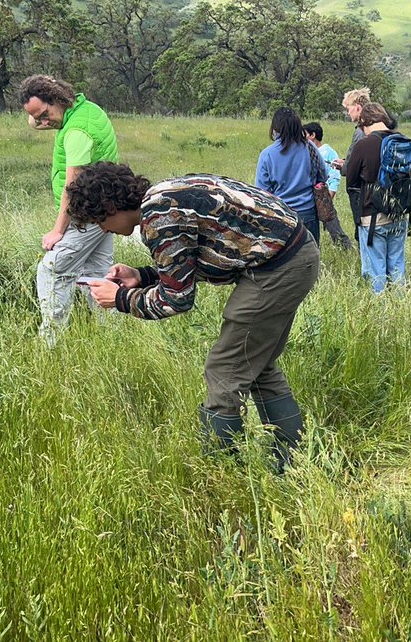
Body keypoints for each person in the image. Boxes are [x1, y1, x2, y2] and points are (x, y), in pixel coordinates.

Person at [69, 163, 320, 470]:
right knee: (256, 363)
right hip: (293, 255)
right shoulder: (163, 196)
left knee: (225, 369)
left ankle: (223, 471)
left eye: (99, 221)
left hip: (279, 268)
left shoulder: (159, 217)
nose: (103, 229)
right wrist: (142, 276)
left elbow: (177, 299)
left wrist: (120, 299)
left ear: (110, 206)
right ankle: (292, 462)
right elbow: (204, 257)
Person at [18, 75, 119, 346]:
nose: (42, 122)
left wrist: (57, 231)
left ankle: (50, 342)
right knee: (97, 274)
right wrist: (38, 113)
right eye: (37, 117)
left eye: (45, 114)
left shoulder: (76, 133)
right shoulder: (87, 110)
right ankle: (113, 340)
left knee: (51, 270)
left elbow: (72, 187)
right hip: (107, 209)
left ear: (58, 100)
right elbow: (38, 121)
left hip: (88, 214)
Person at [342, 102, 408, 293]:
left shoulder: (364, 144)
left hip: (372, 217)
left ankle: (381, 313)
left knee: (376, 273)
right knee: (397, 269)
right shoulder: (402, 140)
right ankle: (400, 306)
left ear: (365, 120)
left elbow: (351, 180)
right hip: (400, 214)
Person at [256, 107, 324, 246]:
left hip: (281, 215)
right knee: (310, 260)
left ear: (275, 128)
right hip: (308, 213)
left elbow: (262, 192)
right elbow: (323, 174)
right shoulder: (310, 147)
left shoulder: (267, 155)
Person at [304, 121, 353, 250]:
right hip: (309, 195)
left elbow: (334, 175)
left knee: (332, 224)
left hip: (323, 194)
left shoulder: (327, 152)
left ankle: (345, 247)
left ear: (312, 135)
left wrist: (331, 193)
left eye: (305, 134)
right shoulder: (305, 151)